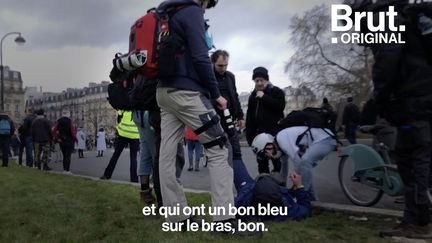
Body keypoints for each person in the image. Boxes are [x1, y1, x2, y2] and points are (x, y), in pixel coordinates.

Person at [155, 0, 252, 234]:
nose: (207, 7)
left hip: (163, 93)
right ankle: (224, 220)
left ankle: (177, 218)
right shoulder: (192, 12)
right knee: (220, 148)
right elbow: (200, 58)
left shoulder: (167, 13)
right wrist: (217, 94)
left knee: (167, 156)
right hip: (187, 93)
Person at [347, 0, 432, 238]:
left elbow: (387, 60)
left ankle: (420, 222)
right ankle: (413, 220)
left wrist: (379, 100)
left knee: (413, 163)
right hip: (418, 98)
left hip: (413, 101)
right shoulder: (401, 15)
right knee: (410, 159)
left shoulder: (381, 19)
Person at [233, 159, 310, 221]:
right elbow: (305, 208)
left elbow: (228, 205)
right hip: (259, 189)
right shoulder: (287, 211)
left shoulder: (241, 208)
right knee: (236, 158)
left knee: (236, 159)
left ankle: (234, 150)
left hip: (247, 187)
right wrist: (299, 186)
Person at [276, 126, 336, 200]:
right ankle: (313, 199)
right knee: (304, 168)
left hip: (326, 140)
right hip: (325, 138)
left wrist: (295, 183)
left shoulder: (281, 139)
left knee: (304, 162)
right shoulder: (281, 137)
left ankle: (302, 197)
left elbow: (297, 161)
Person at [211, 50, 245, 163]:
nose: (223, 68)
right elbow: (203, 96)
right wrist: (215, 103)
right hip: (215, 120)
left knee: (236, 150)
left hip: (230, 118)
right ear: (213, 63)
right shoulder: (207, 76)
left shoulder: (230, 76)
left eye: (226, 65)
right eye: (220, 65)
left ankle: (239, 176)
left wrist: (240, 116)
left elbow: (235, 96)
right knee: (220, 153)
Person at [100, 110, 139, 183]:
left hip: (123, 133)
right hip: (135, 134)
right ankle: (134, 179)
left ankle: (107, 175)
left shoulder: (123, 106)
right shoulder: (138, 106)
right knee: (133, 158)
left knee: (115, 155)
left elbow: (118, 119)